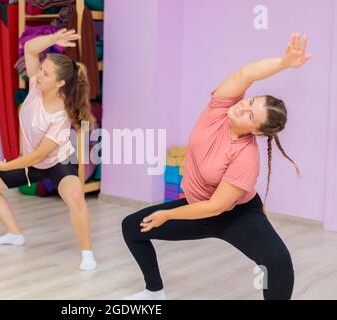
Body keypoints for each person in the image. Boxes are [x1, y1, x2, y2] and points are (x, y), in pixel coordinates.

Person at [122, 33, 312, 299]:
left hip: (236, 214)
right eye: (249, 102)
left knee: (278, 262)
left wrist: (168, 215)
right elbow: (247, 73)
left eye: (250, 114)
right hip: (197, 205)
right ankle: (154, 293)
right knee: (132, 227)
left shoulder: (246, 156)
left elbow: (217, 207)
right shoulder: (220, 108)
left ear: (256, 131)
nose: (242, 107)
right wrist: (283, 62)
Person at [0, 28, 97, 271]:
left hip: (58, 164)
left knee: (76, 198)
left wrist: (6, 166)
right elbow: (30, 48)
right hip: (32, 162)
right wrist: (52, 40)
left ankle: (87, 254)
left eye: (46, 73)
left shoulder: (61, 114)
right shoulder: (35, 87)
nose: (39, 75)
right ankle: (14, 234)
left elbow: (41, 155)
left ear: (60, 83)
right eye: (41, 69)